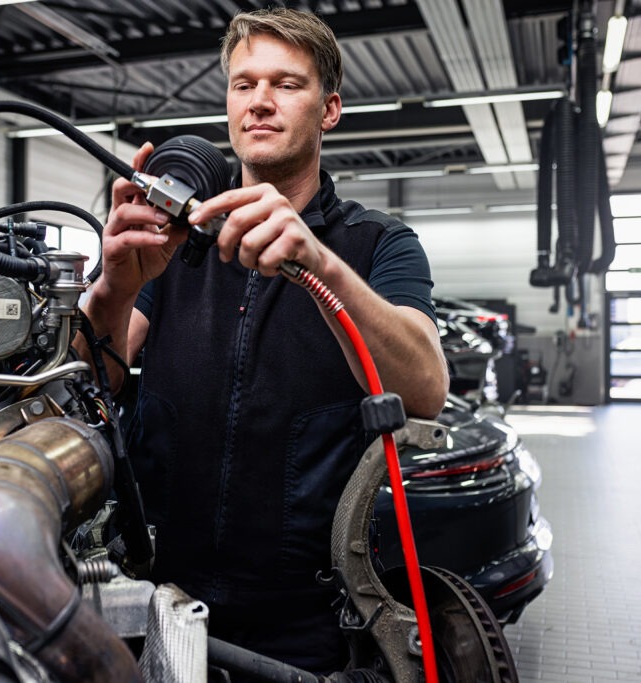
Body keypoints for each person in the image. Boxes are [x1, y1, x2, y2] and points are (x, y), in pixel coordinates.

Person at [76, 7, 448, 675]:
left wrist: (321, 264)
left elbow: (426, 387)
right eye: (243, 85)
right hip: (160, 597)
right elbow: (83, 383)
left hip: (309, 628)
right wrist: (113, 288)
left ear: (329, 110)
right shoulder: (175, 249)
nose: (261, 102)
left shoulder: (377, 245)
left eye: (286, 84)